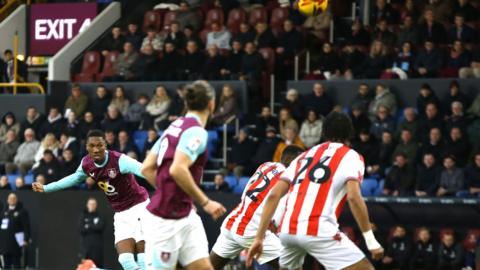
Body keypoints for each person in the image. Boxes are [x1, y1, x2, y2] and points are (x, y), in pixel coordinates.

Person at [247, 111, 384, 270]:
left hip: (287, 231)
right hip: (318, 228)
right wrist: (370, 240)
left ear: (323, 132)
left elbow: (274, 195)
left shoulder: (303, 156)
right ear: (350, 133)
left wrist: (259, 237)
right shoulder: (351, 156)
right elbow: (353, 198)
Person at [32, 130, 150, 270]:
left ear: (105, 145)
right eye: (91, 146)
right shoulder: (87, 164)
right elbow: (73, 179)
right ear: (86, 147)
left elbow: (145, 170)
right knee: (126, 261)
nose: (96, 149)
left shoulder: (119, 160)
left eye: (99, 145)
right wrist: (47, 188)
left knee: (144, 259)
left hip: (139, 207)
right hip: (120, 213)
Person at [140, 81, 226, 270]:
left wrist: (179, 194)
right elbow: (178, 168)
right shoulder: (197, 132)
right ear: (212, 103)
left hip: (185, 214)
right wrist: (206, 202)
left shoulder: (174, 126)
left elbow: (146, 167)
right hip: (164, 218)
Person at [211, 145, 304, 269]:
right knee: (293, 266)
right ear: (294, 161)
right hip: (252, 229)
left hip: (232, 222)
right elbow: (275, 201)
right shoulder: (290, 177)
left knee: (209, 267)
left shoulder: (266, 165)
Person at [0, 193, 30, 269]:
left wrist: (26, 239)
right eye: (10, 198)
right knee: (6, 265)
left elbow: (26, 226)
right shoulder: (4, 212)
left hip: (16, 242)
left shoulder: (22, 212)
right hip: (5, 243)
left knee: (16, 263)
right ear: (7, 200)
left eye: (13, 198)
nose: (12, 200)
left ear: (16, 200)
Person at [79, 198, 105, 268]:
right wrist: (93, 225)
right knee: (86, 265)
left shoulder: (100, 216)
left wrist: (88, 224)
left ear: (96, 205)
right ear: (87, 205)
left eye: (93, 204)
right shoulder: (83, 216)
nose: (92, 206)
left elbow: (100, 227)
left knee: (97, 266)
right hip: (86, 247)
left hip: (97, 247)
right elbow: (81, 229)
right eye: (90, 204)